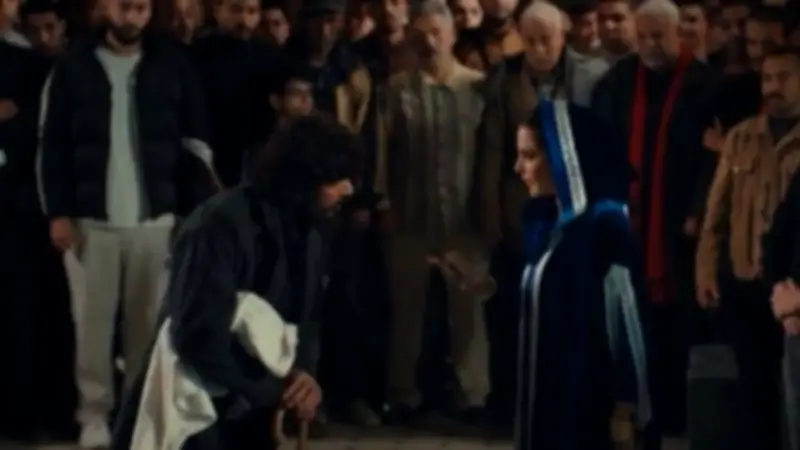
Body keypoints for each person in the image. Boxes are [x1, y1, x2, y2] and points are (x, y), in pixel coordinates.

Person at [111, 114, 362, 450]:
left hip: (253, 418)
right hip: (194, 417)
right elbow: (199, 336)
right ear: (302, 177)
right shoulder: (219, 225)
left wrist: (303, 378)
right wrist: (275, 389)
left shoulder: (311, 233)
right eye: (334, 178)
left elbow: (307, 321)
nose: (348, 190)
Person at [37, 0, 215, 446]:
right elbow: (52, 144)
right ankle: (94, 416)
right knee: (91, 329)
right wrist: (58, 212)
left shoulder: (173, 66)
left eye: (140, 8)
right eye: (123, 6)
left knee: (148, 329)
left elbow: (196, 145)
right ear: (104, 8)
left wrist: (188, 213)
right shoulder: (73, 67)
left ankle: (138, 415)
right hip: (91, 221)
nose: (131, 17)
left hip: (156, 222)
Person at [591, 0, 718, 434]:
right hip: (628, 220)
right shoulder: (616, 83)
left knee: (679, 321)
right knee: (633, 318)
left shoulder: (706, 85)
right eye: (643, 36)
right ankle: (641, 410)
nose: (649, 44)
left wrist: (698, 210)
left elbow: (714, 155)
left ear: (678, 33)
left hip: (682, 223)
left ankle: (678, 414)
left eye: (658, 36)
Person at [513, 99, 653, 450]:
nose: (518, 168)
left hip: (588, 399)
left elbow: (629, 322)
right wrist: (481, 283)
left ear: (564, 158)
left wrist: (626, 405)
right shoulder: (542, 220)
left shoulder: (605, 228)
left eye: (529, 156)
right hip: (548, 393)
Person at [379, 0, 489, 424]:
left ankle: (472, 394)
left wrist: (490, 210)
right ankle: (402, 394)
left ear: (452, 35)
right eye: (421, 33)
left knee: (468, 310)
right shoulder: (396, 90)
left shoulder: (478, 88)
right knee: (406, 309)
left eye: (437, 32)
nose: (429, 41)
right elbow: (381, 151)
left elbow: (491, 152)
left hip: (464, 217)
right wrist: (382, 201)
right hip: (410, 215)